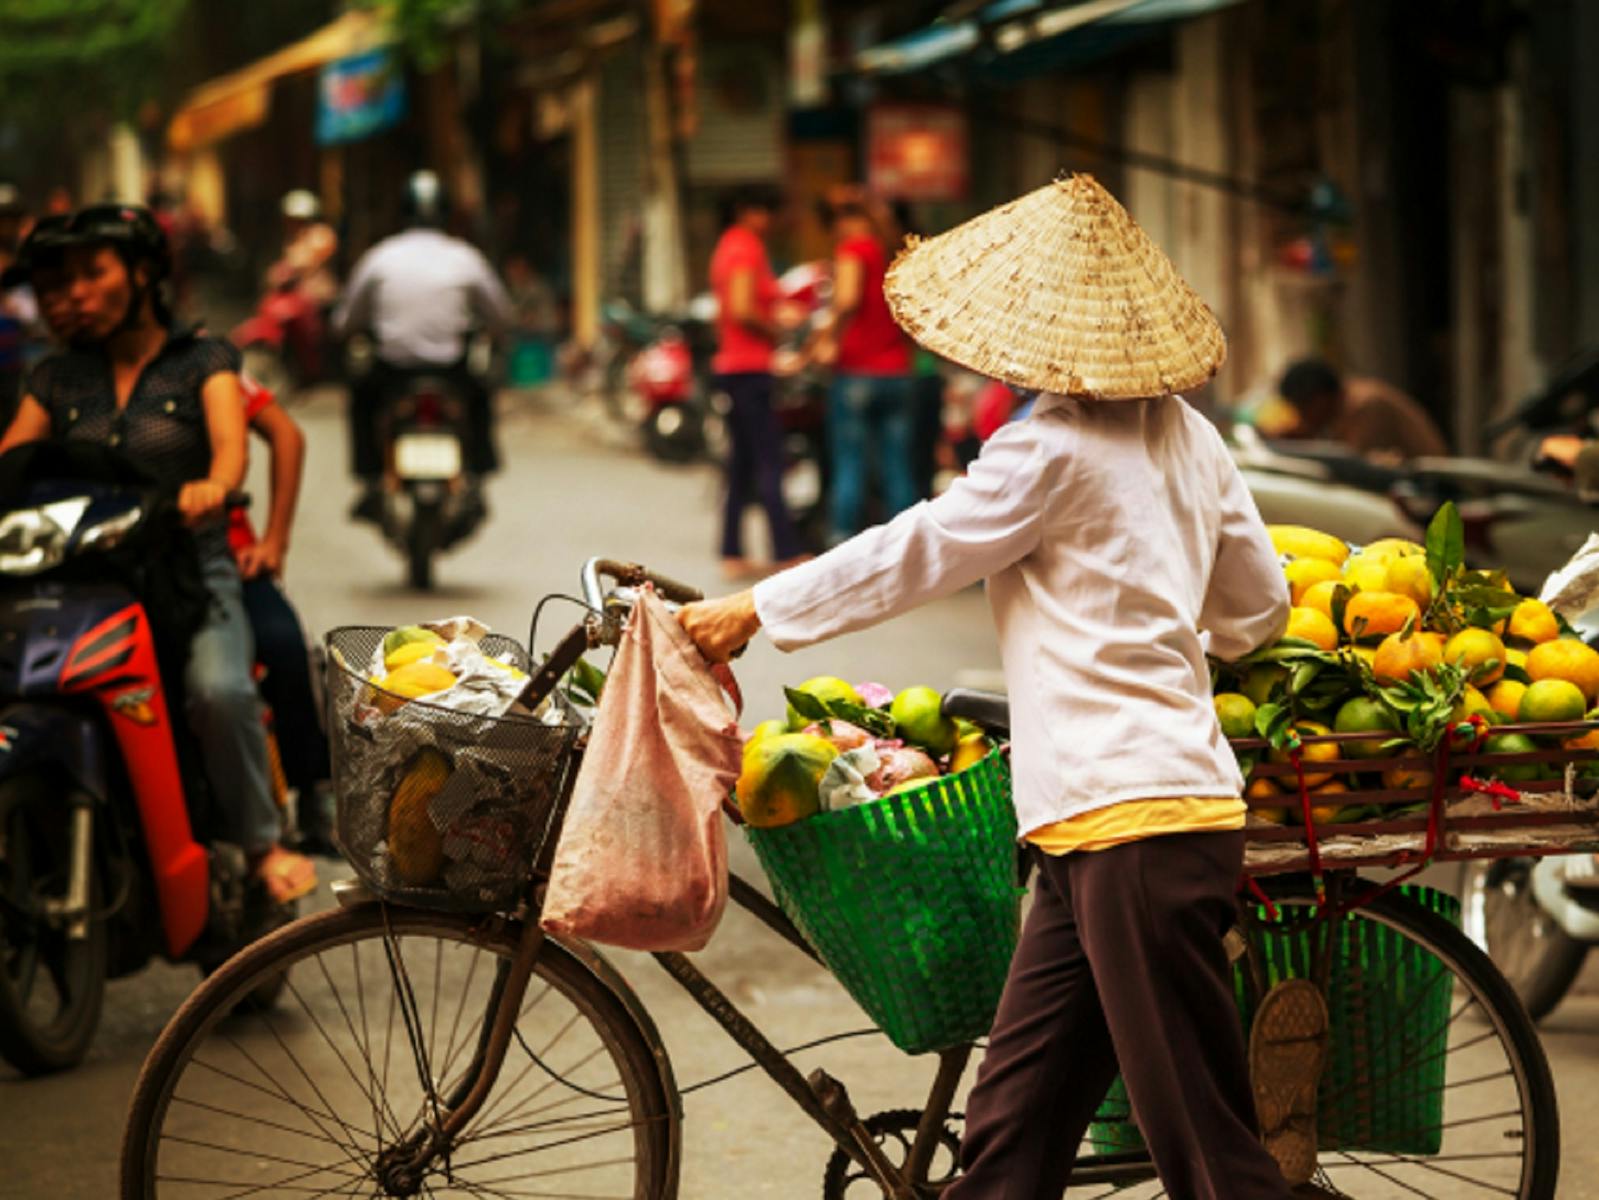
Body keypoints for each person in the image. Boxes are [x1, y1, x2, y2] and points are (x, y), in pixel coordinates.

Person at [680, 176, 1298, 1198]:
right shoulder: (1190, 436)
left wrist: (755, 610)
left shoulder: (1047, 449)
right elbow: (1257, 610)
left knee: (1210, 1155)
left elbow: (917, 550)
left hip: (1132, 828)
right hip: (1094, 828)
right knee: (1011, 1134)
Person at [0, 204, 316, 902]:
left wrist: (217, 488)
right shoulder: (54, 379)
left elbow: (235, 446)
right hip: (79, 575)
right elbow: (11, 458)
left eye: (91, 274)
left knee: (217, 690)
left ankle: (262, 844)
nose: (70, 295)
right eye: (57, 283)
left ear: (143, 275)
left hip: (186, 569)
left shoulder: (202, 359)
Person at [333, 170, 512, 523]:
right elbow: (500, 315)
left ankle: (369, 483)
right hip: (450, 370)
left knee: (361, 403)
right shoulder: (465, 257)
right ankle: (477, 475)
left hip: (393, 369)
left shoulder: (380, 257)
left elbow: (346, 320)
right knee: (480, 401)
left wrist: (351, 332)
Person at [709, 185, 805, 580]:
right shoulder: (745, 247)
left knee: (742, 464)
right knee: (768, 461)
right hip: (749, 368)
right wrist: (777, 331)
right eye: (765, 211)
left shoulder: (729, 246)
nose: (771, 221)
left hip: (735, 367)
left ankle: (732, 550)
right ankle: (785, 549)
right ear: (747, 212)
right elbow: (743, 309)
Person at [815, 190, 917, 542]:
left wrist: (819, 342)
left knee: (850, 463)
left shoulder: (854, 249)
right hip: (898, 372)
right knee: (897, 466)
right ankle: (909, 546)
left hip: (858, 371)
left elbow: (846, 300)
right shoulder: (892, 251)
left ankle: (841, 544)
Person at [1276, 357, 1448, 460]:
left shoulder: (1364, 405)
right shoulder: (1343, 405)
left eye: (1303, 408)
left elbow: (1356, 463)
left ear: (1320, 397)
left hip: (1432, 488)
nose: (1302, 417)